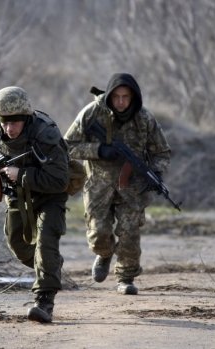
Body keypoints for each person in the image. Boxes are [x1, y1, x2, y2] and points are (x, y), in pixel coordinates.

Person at [64, 73, 171, 295]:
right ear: (110, 96)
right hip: (98, 185)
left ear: (134, 97)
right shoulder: (92, 113)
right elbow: (67, 146)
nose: (121, 102)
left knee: (130, 232)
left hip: (132, 187)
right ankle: (104, 254)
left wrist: (157, 173)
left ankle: (126, 277)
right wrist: (98, 150)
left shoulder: (145, 119)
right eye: (117, 97)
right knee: (98, 234)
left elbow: (162, 152)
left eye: (126, 97)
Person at [0, 86, 69, 322]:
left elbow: (60, 180)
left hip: (50, 195)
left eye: (15, 123)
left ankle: (44, 302)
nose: (9, 129)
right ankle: (50, 265)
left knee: (46, 241)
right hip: (18, 195)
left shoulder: (45, 134)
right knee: (16, 243)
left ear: (26, 119)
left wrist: (21, 174)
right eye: (4, 122)